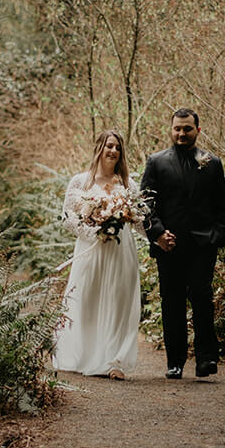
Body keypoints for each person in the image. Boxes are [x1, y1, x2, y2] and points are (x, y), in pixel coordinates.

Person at [140, 108, 225, 380]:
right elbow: (145, 205)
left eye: (187, 129)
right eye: (177, 128)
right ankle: (175, 361)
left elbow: (222, 209)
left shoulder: (212, 163)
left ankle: (206, 359)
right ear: (171, 129)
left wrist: (216, 239)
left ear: (197, 130)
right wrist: (158, 234)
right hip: (169, 245)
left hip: (203, 245)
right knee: (172, 302)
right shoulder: (156, 162)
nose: (181, 133)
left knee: (202, 298)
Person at [53, 128, 145, 379]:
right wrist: (93, 232)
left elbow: (138, 221)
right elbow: (67, 218)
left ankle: (115, 361)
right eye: (109, 146)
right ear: (99, 148)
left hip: (121, 251)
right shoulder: (81, 182)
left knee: (119, 302)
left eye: (117, 147)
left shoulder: (129, 184)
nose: (113, 151)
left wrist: (159, 239)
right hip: (91, 249)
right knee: (87, 301)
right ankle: (88, 354)